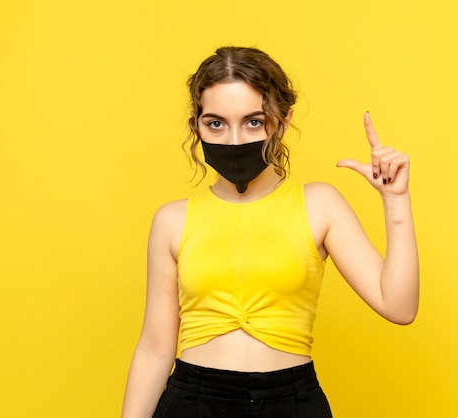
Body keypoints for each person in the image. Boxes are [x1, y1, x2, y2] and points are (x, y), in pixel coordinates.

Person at [121, 46, 419, 418]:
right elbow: (154, 348)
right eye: (216, 123)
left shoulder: (320, 204)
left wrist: (396, 199)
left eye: (253, 122)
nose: (233, 140)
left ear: (283, 120)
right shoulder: (171, 220)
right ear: (196, 124)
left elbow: (399, 306)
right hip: (193, 402)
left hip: (291, 402)